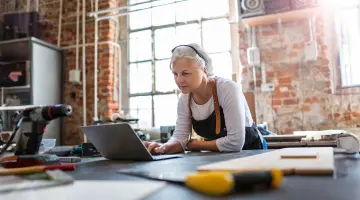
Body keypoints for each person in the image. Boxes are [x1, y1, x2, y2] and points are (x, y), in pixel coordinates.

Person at [144, 43, 266, 154]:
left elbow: (235, 142)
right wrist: (163, 148)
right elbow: (180, 138)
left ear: (205, 70)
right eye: (175, 74)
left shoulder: (227, 89)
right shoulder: (185, 99)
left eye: (185, 73)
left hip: (250, 155)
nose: (179, 80)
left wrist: (199, 145)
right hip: (217, 158)